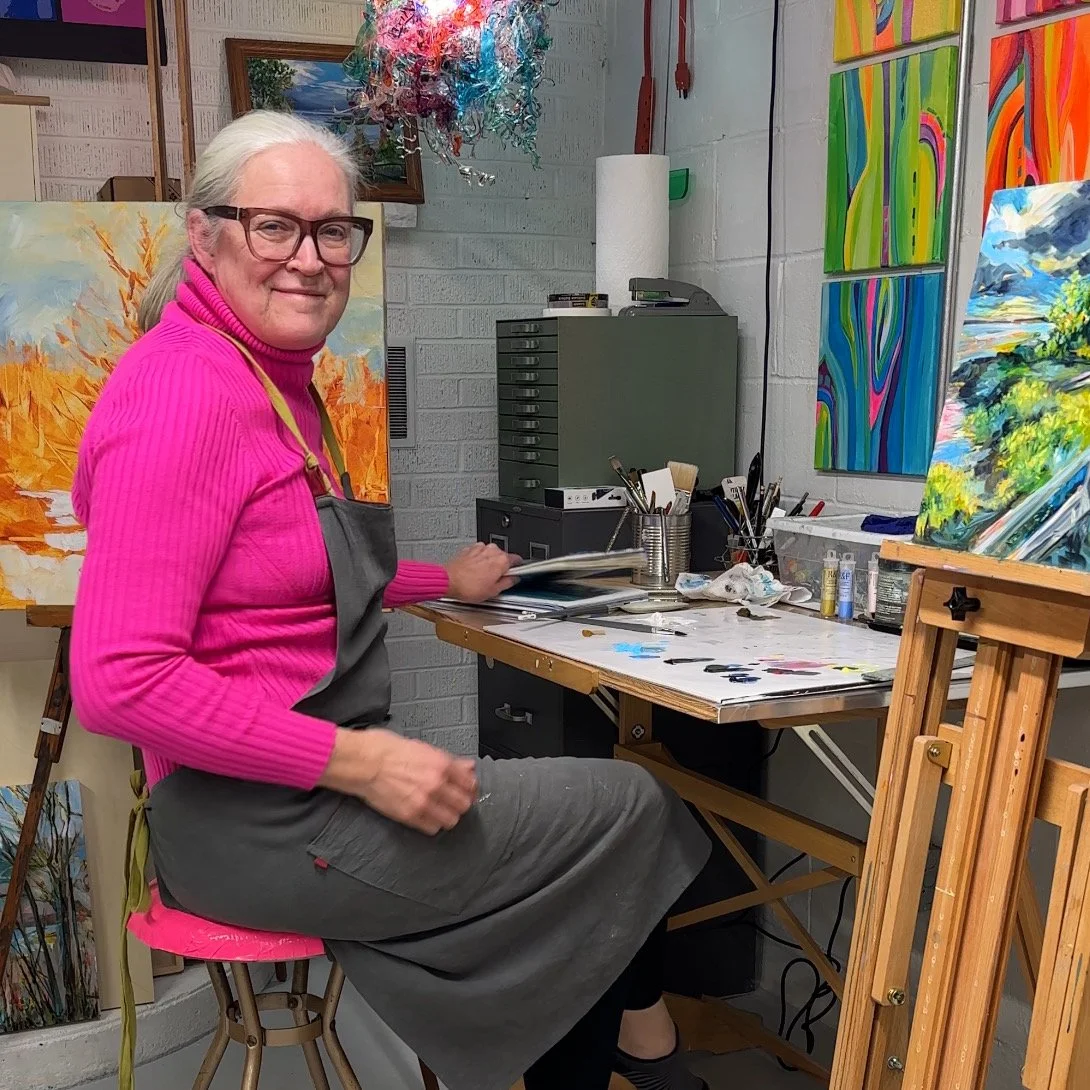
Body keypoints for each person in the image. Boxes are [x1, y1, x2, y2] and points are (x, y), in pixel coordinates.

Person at [70, 110, 711, 1090]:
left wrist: (443, 582)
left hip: (292, 799)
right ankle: (639, 1050)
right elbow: (119, 680)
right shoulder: (185, 393)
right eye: (274, 226)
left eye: (333, 230)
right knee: (631, 805)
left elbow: (291, 574)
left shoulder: (270, 378)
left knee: (605, 821)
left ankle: (626, 1048)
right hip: (255, 822)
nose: (310, 259)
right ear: (205, 235)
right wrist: (360, 762)